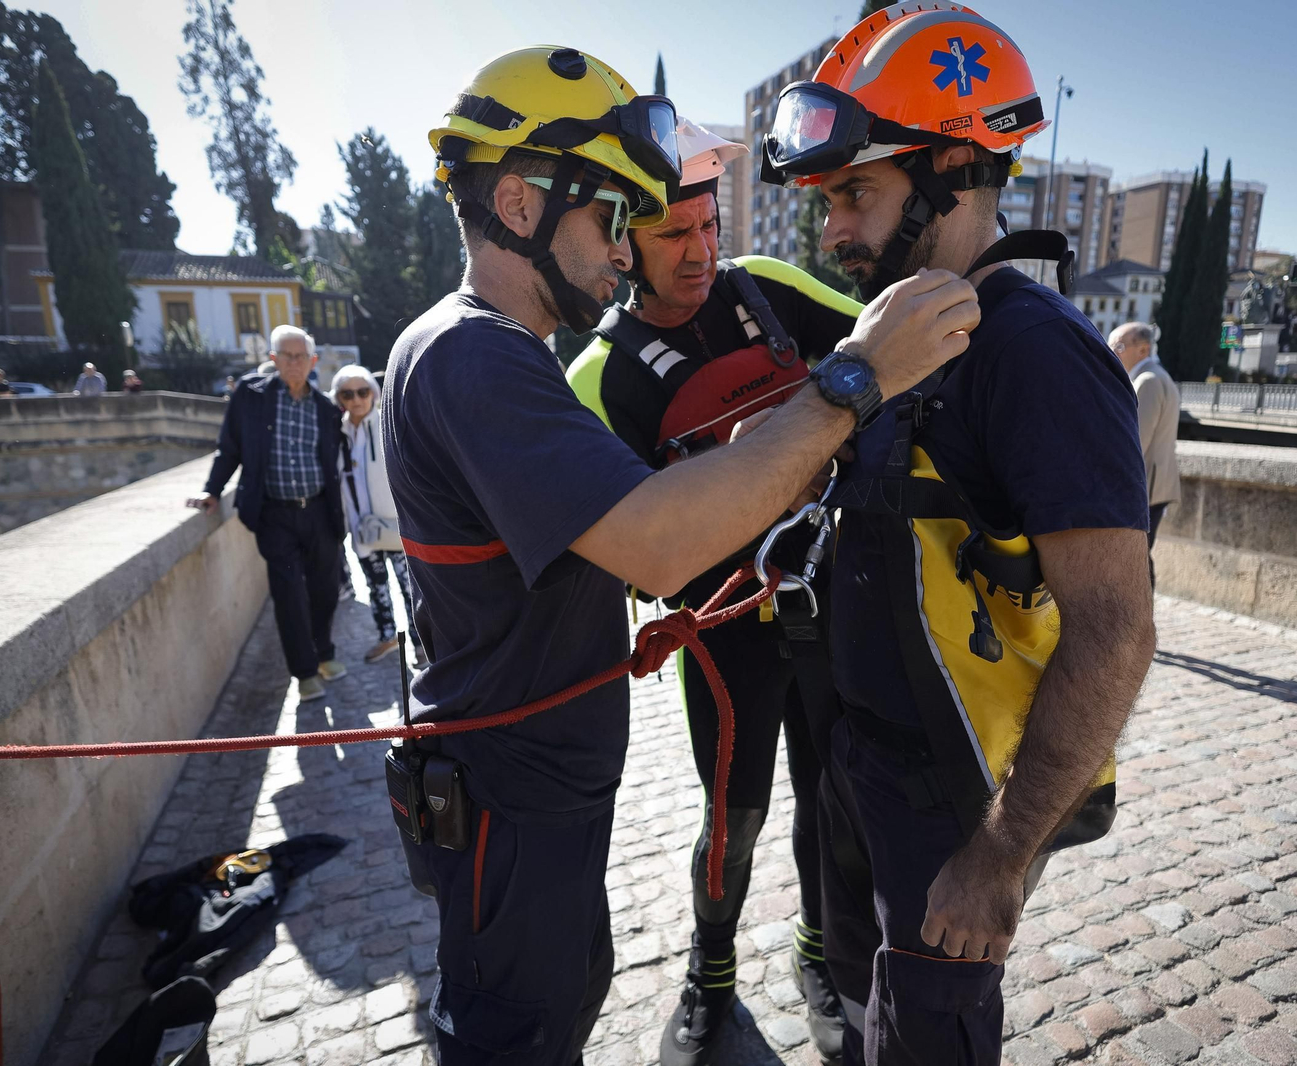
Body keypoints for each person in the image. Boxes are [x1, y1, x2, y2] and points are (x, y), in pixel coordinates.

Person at [383, 45, 978, 1066]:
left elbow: (634, 525)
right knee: (516, 1035)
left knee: (558, 1004)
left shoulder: (488, 349)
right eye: (611, 220)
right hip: (512, 799)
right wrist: (850, 383)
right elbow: (657, 545)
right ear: (520, 204)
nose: (624, 254)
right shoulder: (473, 354)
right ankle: (713, 983)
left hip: (537, 791)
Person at [761, 7, 1157, 1062]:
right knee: (858, 1008)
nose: (832, 229)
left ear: (946, 168)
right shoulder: (892, 337)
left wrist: (998, 857)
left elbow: (1116, 630)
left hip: (955, 804)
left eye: (855, 193)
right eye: (827, 199)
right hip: (862, 771)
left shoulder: (1034, 354)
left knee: (929, 1040)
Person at [566, 118, 860, 1065]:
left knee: (833, 798)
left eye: (708, 228)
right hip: (723, 634)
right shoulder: (599, 377)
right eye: (672, 237)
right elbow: (611, 550)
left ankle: (820, 959)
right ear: (624, 242)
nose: (700, 255)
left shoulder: (766, 293)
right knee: (733, 818)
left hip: (827, 605)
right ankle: (710, 978)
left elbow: (885, 336)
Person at [188, 325, 348, 703]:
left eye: (301, 356)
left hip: (320, 512)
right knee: (289, 594)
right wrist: (212, 489)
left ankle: (324, 652)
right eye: (286, 355)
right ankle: (305, 672)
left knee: (325, 590)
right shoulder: (251, 396)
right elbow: (229, 447)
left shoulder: (326, 409)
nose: (294, 362)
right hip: (275, 515)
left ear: (313, 361)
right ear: (273, 360)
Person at [329, 363, 420, 664]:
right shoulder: (339, 433)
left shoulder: (388, 424)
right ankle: (387, 637)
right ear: (339, 398)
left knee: (410, 588)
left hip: (396, 524)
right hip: (362, 526)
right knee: (376, 586)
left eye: (362, 391)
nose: (356, 399)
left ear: (374, 392)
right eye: (347, 393)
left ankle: (421, 643)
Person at [1109, 322, 1180, 583]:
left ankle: (1142, 618)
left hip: (1146, 487)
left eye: (1118, 346)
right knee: (1139, 557)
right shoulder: (1156, 376)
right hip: (1153, 484)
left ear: (1143, 350)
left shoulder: (1147, 381)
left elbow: (1135, 442)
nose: (1112, 351)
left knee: (1136, 559)